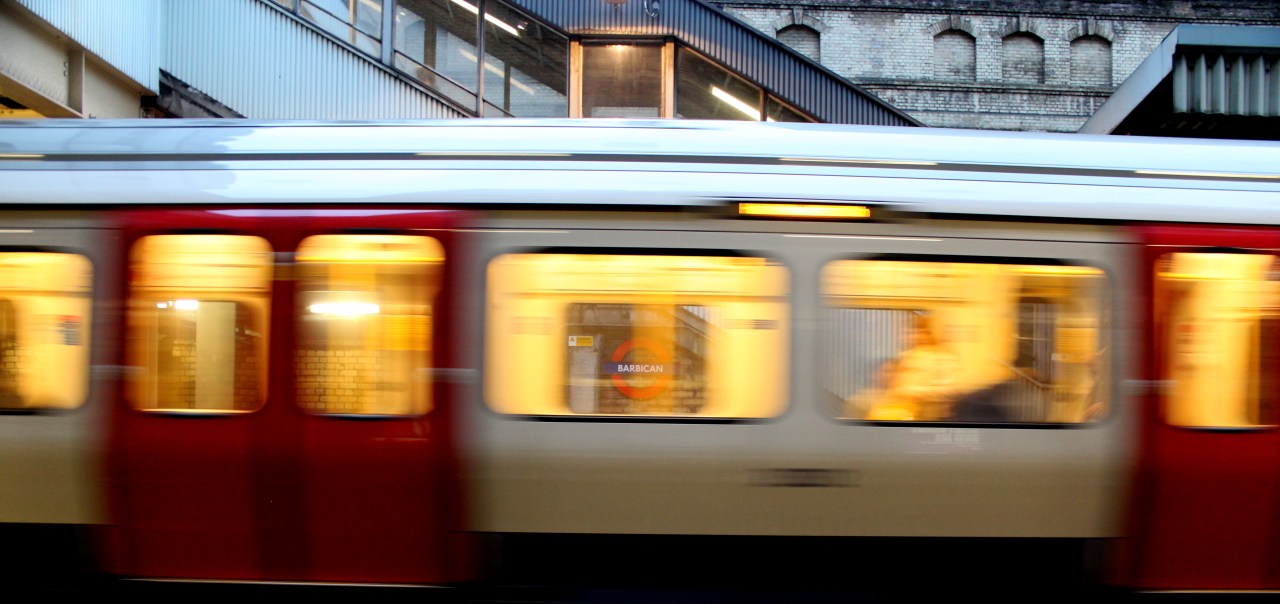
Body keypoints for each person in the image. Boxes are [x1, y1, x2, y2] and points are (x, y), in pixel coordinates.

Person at [864, 313, 962, 421]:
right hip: (906, 411)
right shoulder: (907, 356)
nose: (911, 337)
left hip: (932, 413)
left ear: (927, 333)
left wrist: (913, 392)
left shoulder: (944, 358)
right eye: (908, 333)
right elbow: (896, 386)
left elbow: (951, 389)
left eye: (917, 332)